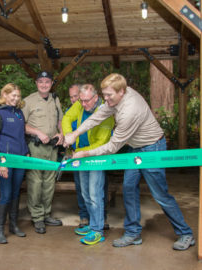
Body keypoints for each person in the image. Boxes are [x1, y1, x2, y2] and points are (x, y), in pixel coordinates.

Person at [64, 73, 194, 251]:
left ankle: (185, 233)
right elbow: (97, 116)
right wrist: (75, 134)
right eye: (104, 94)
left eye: (109, 95)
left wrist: (84, 154)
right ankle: (133, 233)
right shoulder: (115, 98)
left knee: (160, 194)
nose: (105, 98)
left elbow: (112, 147)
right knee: (128, 188)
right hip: (136, 148)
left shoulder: (129, 110)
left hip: (152, 148)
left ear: (122, 92)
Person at [62, 84, 114, 245]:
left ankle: (97, 230)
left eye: (86, 101)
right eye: (81, 100)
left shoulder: (106, 113)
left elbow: (102, 143)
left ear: (96, 98)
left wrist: (83, 152)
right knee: (85, 193)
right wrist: (69, 136)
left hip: (95, 157)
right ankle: (92, 224)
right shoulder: (80, 104)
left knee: (94, 194)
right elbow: (66, 118)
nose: (82, 104)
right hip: (79, 155)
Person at [22, 71, 64, 234]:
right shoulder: (28, 101)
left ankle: (46, 214)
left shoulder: (55, 99)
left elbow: (60, 120)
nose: (44, 84)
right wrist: (37, 133)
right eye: (41, 81)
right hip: (36, 147)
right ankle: (37, 217)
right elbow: (22, 125)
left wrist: (61, 133)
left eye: (47, 81)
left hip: (52, 148)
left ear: (51, 83)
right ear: (36, 83)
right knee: (35, 183)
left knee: (49, 182)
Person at [0, 83, 29, 244]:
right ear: (4, 95)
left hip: (19, 159)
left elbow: (21, 136)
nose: (16, 98)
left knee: (16, 193)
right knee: (5, 194)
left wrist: (25, 151)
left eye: (18, 96)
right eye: (13, 95)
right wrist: (1, 163)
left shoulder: (19, 113)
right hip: (5, 161)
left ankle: (13, 225)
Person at [67, 84, 89, 228]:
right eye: (71, 97)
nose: (74, 99)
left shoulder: (91, 109)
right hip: (77, 155)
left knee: (98, 187)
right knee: (81, 187)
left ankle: (101, 217)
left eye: (76, 96)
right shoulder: (70, 112)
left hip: (95, 153)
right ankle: (84, 217)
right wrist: (70, 151)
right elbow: (66, 133)